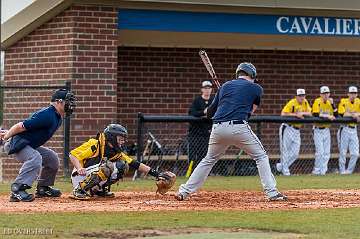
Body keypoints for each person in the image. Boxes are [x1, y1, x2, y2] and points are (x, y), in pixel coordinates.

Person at [175, 62, 287, 201]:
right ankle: (272, 192)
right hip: (238, 127)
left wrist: (223, 97)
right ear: (251, 74)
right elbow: (250, 111)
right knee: (261, 156)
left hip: (217, 128)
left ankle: (184, 191)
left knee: (208, 160)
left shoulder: (225, 87)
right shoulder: (256, 88)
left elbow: (210, 113)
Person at [0, 89, 76, 202]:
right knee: (35, 158)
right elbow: (20, 126)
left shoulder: (57, 117)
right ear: (59, 102)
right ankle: (17, 189)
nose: (71, 105)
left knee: (52, 158)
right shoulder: (47, 115)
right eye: (68, 101)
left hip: (26, 143)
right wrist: (6, 137)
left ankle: (43, 188)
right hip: (16, 143)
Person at [69, 123, 173, 200]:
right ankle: (79, 190)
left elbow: (135, 164)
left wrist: (156, 174)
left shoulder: (116, 152)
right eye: (120, 139)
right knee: (108, 166)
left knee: (123, 166)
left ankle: (97, 190)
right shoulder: (95, 144)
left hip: (91, 173)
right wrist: (79, 168)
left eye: (123, 139)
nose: (122, 142)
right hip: (79, 176)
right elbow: (73, 155)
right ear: (111, 137)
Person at [277, 89, 312, 176]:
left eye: (303, 95)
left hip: (297, 130)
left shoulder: (305, 102)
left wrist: (302, 113)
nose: (301, 97)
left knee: (295, 153)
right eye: (300, 96)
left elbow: (310, 113)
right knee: (285, 151)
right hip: (288, 127)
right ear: (296, 96)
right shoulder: (292, 102)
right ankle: (285, 172)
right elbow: (283, 113)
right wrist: (295, 115)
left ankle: (281, 167)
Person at [187, 80, 214, 172]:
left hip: (208, 133)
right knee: (193, 154)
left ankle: (204, 173)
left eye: (209, 88)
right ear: (202, 89)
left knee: (205, 154)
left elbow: (217, 113)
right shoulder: (197, 101)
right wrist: (204, 112)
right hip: (195, 133)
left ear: (211, 89)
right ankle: (190, 172)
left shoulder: (213, 101)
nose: (207, 90)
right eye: (205, 88)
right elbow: (192, 113)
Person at [311, 86, 337, 175]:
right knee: (320, 152)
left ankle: (323, 171)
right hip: (318, 129)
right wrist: (328, 116)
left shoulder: (330, 103)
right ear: (320, 94)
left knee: (327, 152)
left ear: (329, 94)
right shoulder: (317, 101)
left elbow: (336, 115)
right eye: (324, 93)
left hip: (326, 129)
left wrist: (333, 105)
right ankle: (316, 170)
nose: (326, 95)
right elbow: (315, 114)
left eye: (327, 93)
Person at [337, 86, 360, 174]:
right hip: (345, 129)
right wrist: (354, 115)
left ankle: (349, 171)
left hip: (353, 129)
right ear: (348, 94)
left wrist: (352, 114)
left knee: (355, 153)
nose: (353, 95)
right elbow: (342, 114)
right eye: (351, 93)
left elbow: (349, 113)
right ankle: (342, 171)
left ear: (357, 94)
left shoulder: (358, 101)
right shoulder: (343, 101)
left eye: (355, 93)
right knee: (343, 152)